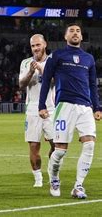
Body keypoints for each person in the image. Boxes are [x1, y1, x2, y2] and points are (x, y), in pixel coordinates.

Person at [39, 23, 101, 199]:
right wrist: (41, 106)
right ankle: (54, 178)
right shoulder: (57, 55)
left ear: (81, 37)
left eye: (78, 31)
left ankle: (78, 186)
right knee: (60, 150)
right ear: (65, 37)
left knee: (89, 145)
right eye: (72, 31)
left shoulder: (88, 58)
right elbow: (45, 81)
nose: (75, 33)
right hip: (64, 106)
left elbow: (92, 85)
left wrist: (97, 107)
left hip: (85, 108)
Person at [19, 34, 55, 187]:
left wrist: (42, 71)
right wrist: (30, 72)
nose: (35, 48)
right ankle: (38, 179)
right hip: (33, 108)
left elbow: (56, 82)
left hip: (51, 108)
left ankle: (52, 169)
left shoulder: (53, 61)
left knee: (57, 145)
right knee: (34, 145)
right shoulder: (26, 63)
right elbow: (21, 84)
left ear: (45, 44)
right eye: (33, 46)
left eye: (38, 45)